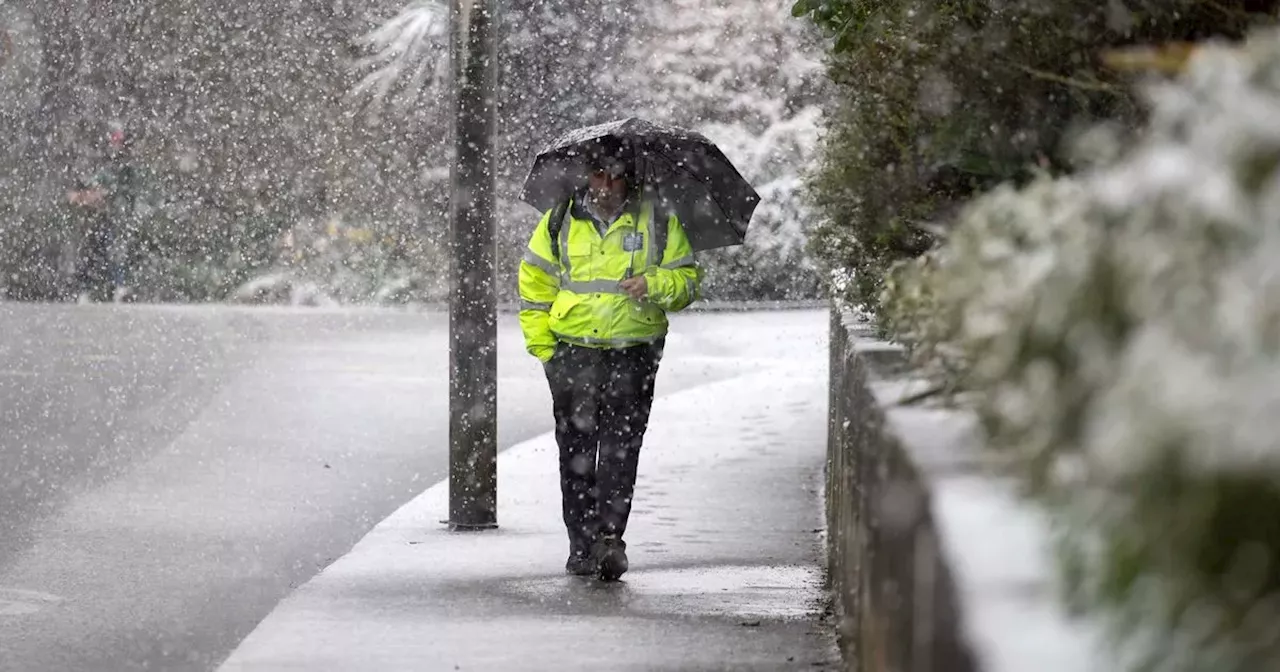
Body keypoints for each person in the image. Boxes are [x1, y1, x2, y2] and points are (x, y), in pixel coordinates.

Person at [518, 151, 702, 581]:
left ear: (629, 179)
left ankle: (609, 540)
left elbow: (687, 283)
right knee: (576, 454)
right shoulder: (558, 221)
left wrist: (653, 284)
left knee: (621, 453)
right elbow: (533, 287)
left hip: (633, 352)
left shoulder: (657, 222)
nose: (605, 185)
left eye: (615, 177)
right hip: (573, 352)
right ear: (587, 177)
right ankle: (580, 545)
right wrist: (546, 353)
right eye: (598, 175)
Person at [67, 120, 138, 302]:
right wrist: (85, 195)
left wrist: (99, 195)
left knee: (113, 249)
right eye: (114, 139)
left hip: (114, 215)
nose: (115, 144)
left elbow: (117, 189)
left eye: (118, 140)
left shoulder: (124, 166)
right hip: (99, 216)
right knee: (93, 251)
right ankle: (87, 290)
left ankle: (118, 287)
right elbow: (92, 186)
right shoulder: (105, 164)